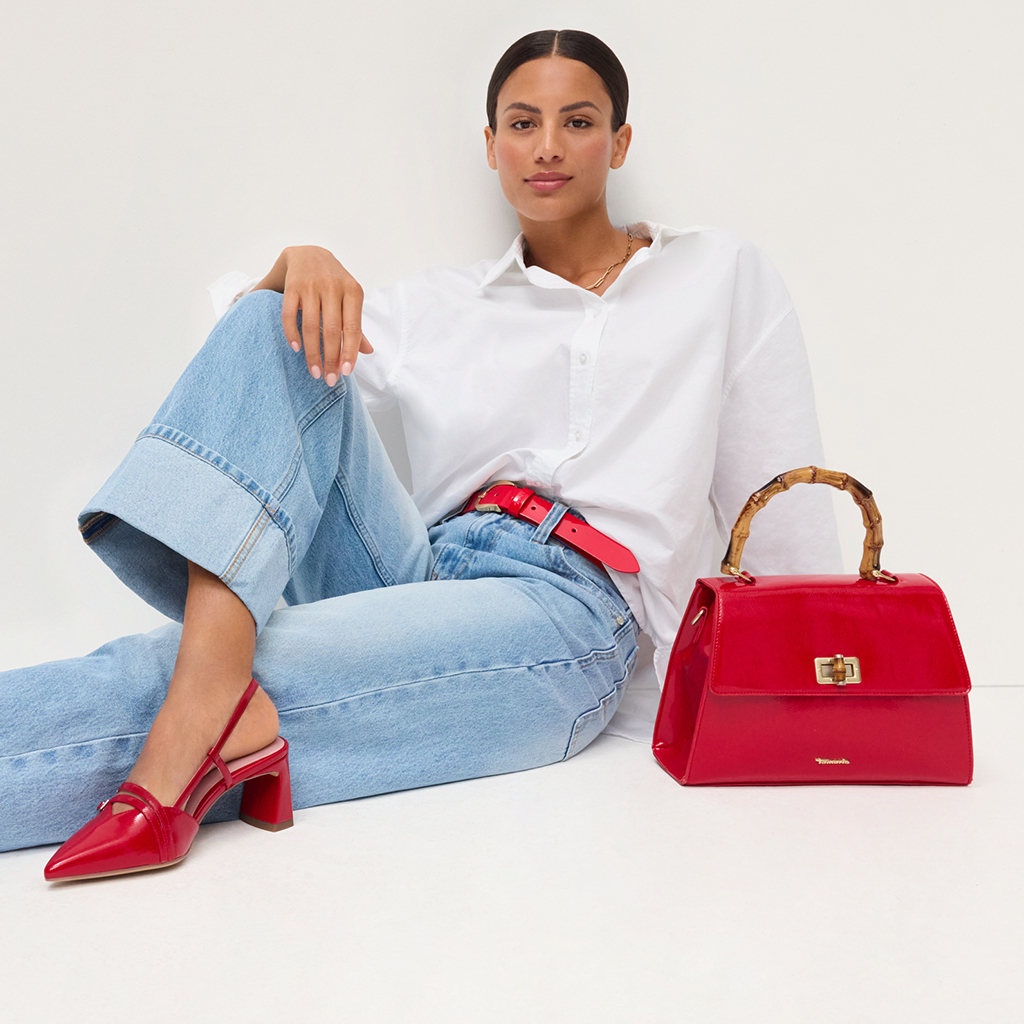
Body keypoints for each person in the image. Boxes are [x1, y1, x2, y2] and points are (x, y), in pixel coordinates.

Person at [0, 29, 838, 879]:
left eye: (578, 121)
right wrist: (299, 262)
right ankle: (215, 694)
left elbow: (779, 493)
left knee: (171, 670)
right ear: (491, 145)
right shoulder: (443, 304)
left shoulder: (719, 274)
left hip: (568, 607)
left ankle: (201, 700)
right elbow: (248, 361)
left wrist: (815, 688)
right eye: (522, 122)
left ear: (620, 141)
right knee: (275, 320)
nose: (547, 146)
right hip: (419, 569)